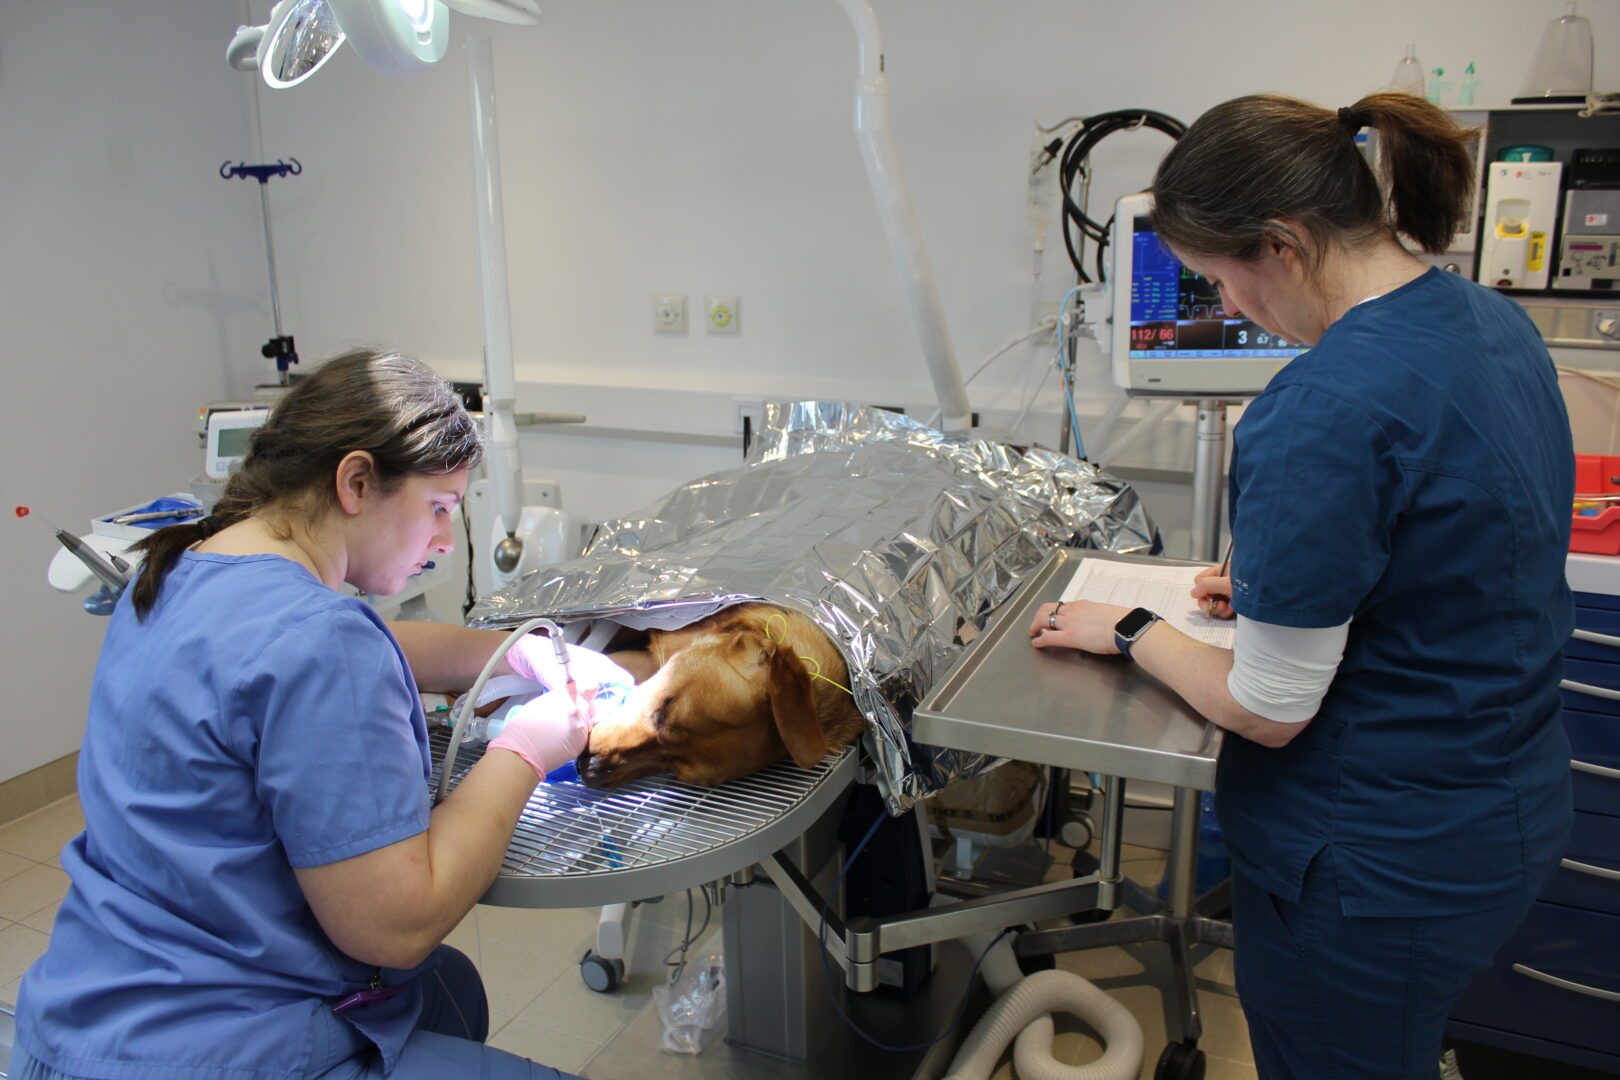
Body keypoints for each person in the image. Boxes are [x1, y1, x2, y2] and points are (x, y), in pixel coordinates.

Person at [1029, 93, 1573, 1079]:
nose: (1230, 308)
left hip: (1378, 861)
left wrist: (1129, 626)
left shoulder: (1325, 406)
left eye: (1221, 279)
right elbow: (1458, 548)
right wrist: (1296, 582)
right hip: (1505, 815)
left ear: (1283, 242)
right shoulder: (1487, 321)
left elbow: (1269, 705)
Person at [12, 350, 631, 1080]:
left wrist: (514, 652)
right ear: (357, 481)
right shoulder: (319, 642)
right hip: (212, 1051)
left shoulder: (179, 568)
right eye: (438, 507)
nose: (443, 538)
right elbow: (397, 926)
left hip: (83, 1021)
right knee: (423, 967)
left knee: (448, 989)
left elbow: (360, 647)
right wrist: (530, 745)